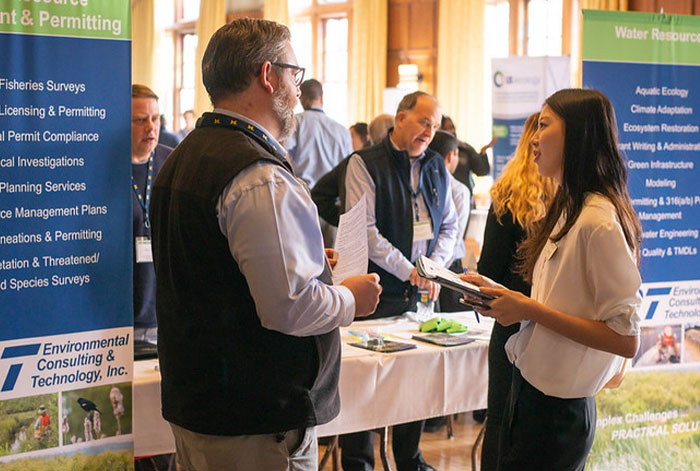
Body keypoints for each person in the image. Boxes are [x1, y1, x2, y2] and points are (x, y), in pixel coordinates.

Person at [149, 18, 381, 471]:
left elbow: (213, 268)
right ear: (268, 74)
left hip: (205, 404)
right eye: (295, 74)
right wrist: (351, 299)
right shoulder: (257, 174)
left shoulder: (185, 156)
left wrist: (309, 261)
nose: (298, 89)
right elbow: (289, 308)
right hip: (254, 418)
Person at [463, 89, 642, 470]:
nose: (533, 138)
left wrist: (529, 309)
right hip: (531, 394)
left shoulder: (598, 221)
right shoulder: (569, 208)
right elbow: (559, 301)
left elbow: (625, 339)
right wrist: (507, 298)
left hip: (560, 411)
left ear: (575, 135)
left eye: (544, 126)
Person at [341, 91, 458, 471]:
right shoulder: (364, 163)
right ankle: (358, 462)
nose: (430, 132)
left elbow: (450, 226)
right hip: (378, 292)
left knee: (417, 376)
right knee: (362, 381)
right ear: (401, 118)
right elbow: (367, 233)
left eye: (435, 126)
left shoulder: (437, 165)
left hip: (424, 294)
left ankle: (410, 458)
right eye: (425, 122)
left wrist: (433, 269)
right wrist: (411, 270)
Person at [476, 113, 556, 471]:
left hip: (509, 320)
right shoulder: (573, 199)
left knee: (499, 418)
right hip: (557, 324)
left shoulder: (507, 197)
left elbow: (489, 271)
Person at [131, 84, 173, 346]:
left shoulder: (172, 163)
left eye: (155, 118)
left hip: (163, 315)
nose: (151, 127)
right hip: (117, 315)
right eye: (140, 120)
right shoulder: (102, 166)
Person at [311, 113, 395, 228]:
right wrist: (347, 220)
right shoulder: (357, 161)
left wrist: (346, 221)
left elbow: (318, 195)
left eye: (352, 136)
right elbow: (319, 196)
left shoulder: (354, 160)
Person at [428, 129, 472, 312]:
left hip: (427, 268)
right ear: (450, 156)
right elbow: (454, 236)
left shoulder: (424, 182)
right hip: (448, 270)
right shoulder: (459, 190)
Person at [284, 78, 353, 188]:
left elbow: (283, 154)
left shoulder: (294, 123)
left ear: (301, 99)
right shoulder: (342, 131)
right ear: (321, 98)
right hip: (332, 198)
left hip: (303, 193)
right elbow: (349, 169)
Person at [440, 115, 493, 198]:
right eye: (446, 128)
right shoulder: (430, 150)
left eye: (452, 127)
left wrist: (483, 152)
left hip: (465, 199)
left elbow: (482, 171)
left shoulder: (465, 148)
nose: (452, 131)